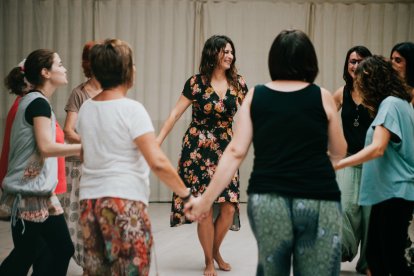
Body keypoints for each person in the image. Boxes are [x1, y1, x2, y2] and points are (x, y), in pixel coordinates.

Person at [185, 29, 347, 275]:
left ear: (274, 60)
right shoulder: (322, 96)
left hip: (270, 198)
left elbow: (236, 151)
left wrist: (205, 201)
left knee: (273, 269)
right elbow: (339, 150)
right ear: (310, 61)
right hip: (318, 197)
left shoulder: (255, 95)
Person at [76, 38, 192, 275]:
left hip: (89, 203)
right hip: (123, 203)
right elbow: (157, 161)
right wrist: (187, 194)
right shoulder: (132, 110)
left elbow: (84, 154)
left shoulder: (86, 109)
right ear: (127, 71)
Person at [156, 35, 248, 276]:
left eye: (231, 51)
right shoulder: (196, 83)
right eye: (224, 51)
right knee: (205, 209)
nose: (230, 55)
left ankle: (215, 250)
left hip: (226, 151)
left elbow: (253, 115)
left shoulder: (239, 83)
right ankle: (209, 260)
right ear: (212, 53)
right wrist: (156, 142)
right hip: (197, 151)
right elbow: (175, 115)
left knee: (228, 208)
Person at [0, 49, 81, 275]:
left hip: (39, 192)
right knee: (29, 254)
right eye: (60, 64)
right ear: (45, 72)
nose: (65, 68)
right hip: (29, 193)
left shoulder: (35, 101)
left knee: (59, 249)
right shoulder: (38, 103)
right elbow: (46, 147)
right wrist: (86, 149)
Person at [335, 55, 414, 275]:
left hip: (394, 194)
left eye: (361, 83)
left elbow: (378, 147)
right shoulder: (401, 104)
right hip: (389, 194)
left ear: (371, 80)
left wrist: (338, 164)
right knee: (377, 258)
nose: (360, 89)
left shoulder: (390, 105)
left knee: (391, 260)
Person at [332, 46, 372, 274]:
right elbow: (325, 115)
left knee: (369, 215)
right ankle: (341, 251)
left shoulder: (377, 94)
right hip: (348, 161)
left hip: (373, 164)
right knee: (344, 209)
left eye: (360, 61)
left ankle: (367, 263)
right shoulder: (342, 92)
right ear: (347, 65)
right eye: (352, 61)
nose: (355, 65)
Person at [61, 40, 101, 267]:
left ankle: (93, 264)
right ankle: (86, 264)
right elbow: (68, 131)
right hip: (78, 165)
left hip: (101, 166)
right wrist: (93, 144)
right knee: (78, 219)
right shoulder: (79, 93)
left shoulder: (111, 92)